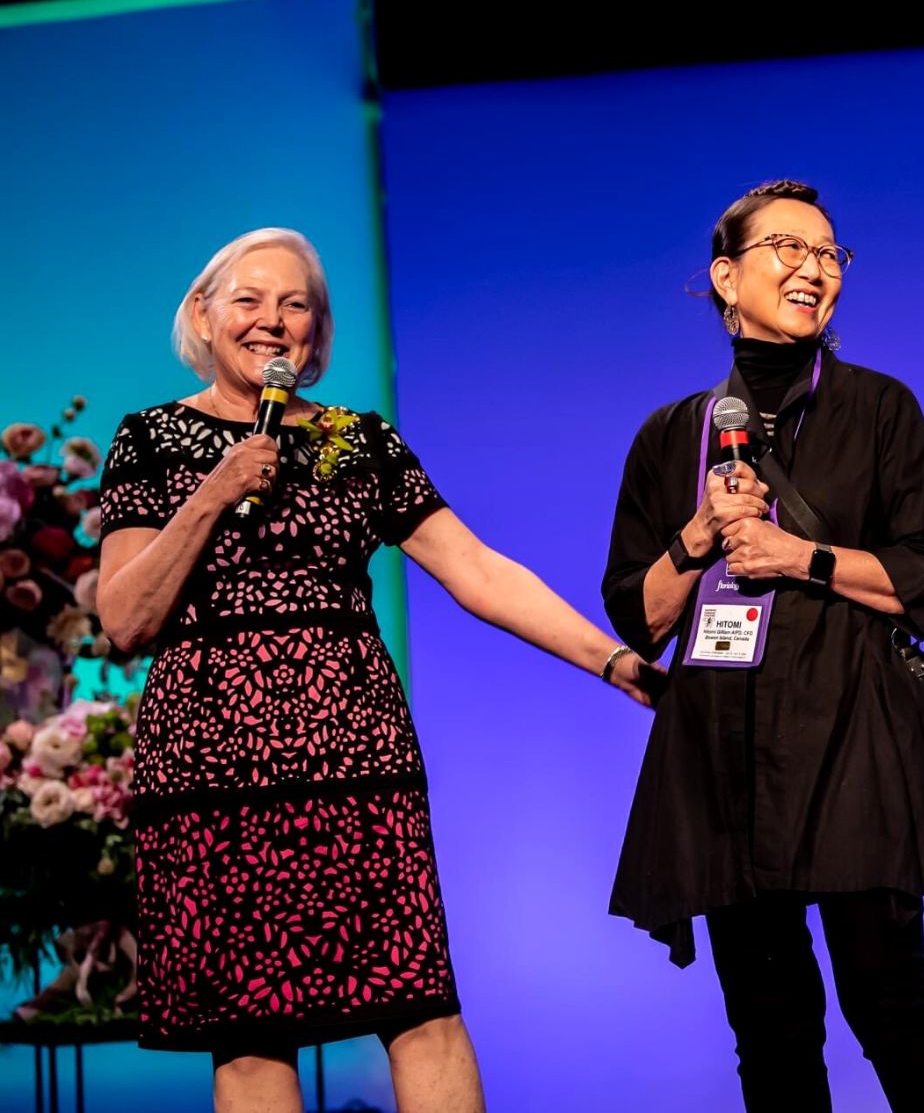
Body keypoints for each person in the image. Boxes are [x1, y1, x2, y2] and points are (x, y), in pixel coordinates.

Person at [97, 227, 657, 1113]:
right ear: (203, 316)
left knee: (418, 1005)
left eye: (296, 307)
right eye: (249, 301)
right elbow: (123, 618)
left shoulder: (358, 443)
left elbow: (477, 570)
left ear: (316, 338)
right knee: (249, 1032)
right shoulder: (153, 440)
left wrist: (611, 658)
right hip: (212, 770)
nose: (272, 323)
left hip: (356, 762)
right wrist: (215, 489)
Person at [602, 180, 924, 1111]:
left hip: (854, 734)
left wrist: (798, 555)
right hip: (725, 756)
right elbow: (637, 614)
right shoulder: (672, 435)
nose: (814, 269)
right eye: (788, 249)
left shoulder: (880, 409)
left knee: (890, 1000)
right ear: (726, 279)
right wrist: (699, 536)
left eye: (829, 255)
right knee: (769, 1031)